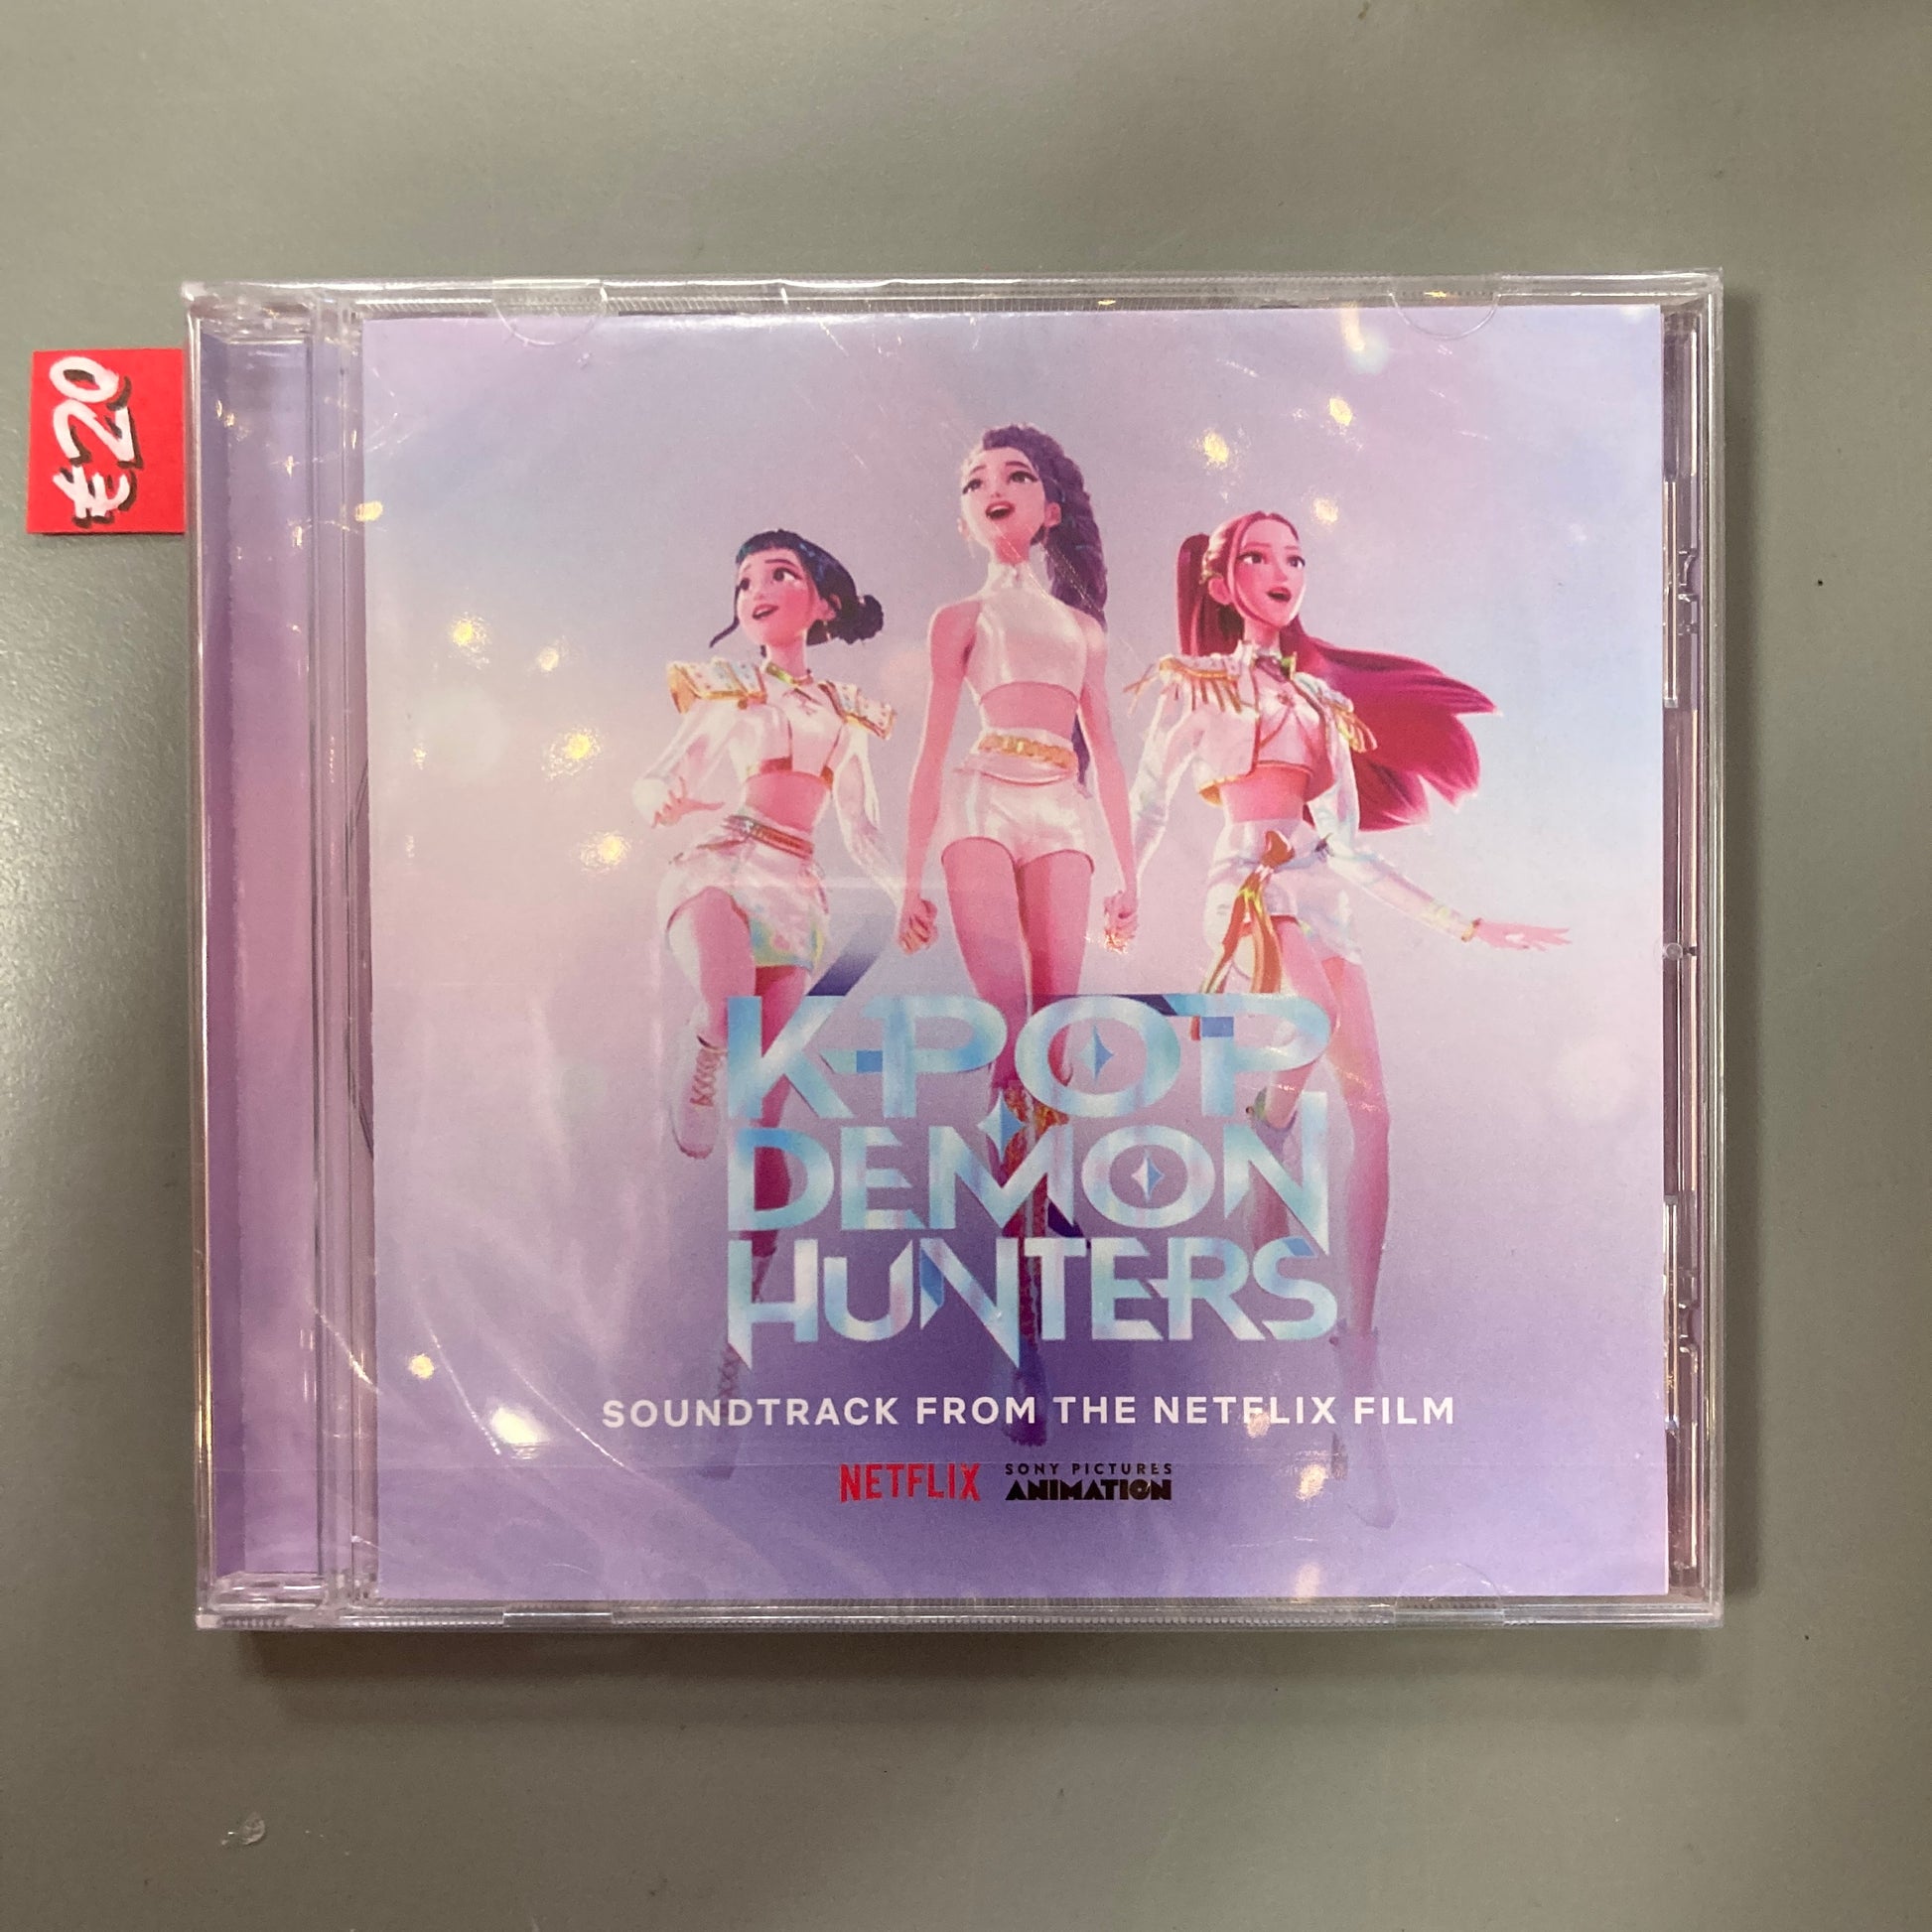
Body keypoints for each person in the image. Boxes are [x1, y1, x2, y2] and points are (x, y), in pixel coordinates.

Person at [1121, 510, 1566, 1522]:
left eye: (1294, 556)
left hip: (1321, 893)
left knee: (1373, 1114)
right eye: (1257, 557)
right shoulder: (1195, 684)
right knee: (1311, 1021)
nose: (1281, 571)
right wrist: (1125, 886)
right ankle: (1266, 1127)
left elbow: (1352, 853)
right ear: (1223, 582)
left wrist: (1468, 925)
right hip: (1246, 882)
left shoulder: (1324, 704)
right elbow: (1148, 800)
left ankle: (1356, 1357)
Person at [634, 530, 897, 1167]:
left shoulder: (848, 715)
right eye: (745, 582)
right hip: (726, 862)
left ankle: (759, 1216)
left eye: (779, 574)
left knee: (768, 1092)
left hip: (796, 889)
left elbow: (861, 827)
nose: (757, 590)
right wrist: (660, 798)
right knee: (728, 1010)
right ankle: (702, 1052)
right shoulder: (735, 690)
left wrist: (904, 895)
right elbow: (660, 773)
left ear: (825, 603)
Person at [897, 426, 1138, 1101]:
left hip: (1062, 805)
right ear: (963, 521)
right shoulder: (959, 618)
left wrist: (1130, 877)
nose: (993, 489)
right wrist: (908, 884)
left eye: (1016, 476)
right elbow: (931, 751)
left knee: (1055, 1032)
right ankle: (1007, 1163)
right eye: (975, 483)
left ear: (1050, 512)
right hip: (981, 801)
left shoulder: (1083, 630)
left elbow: (1106, 753)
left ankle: (1042, 1166)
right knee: (1006, 1024)